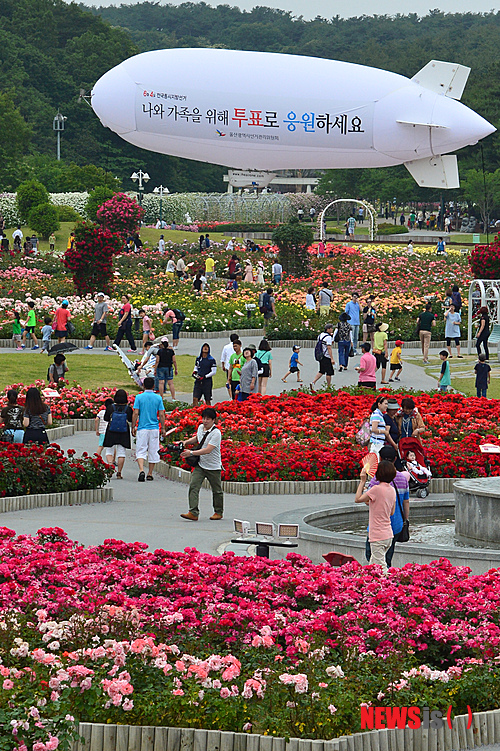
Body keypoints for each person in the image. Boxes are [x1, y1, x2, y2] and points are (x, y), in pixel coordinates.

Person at [365, 445, 409, 568]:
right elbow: (406, 501)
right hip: (396, 524)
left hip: (378, 526)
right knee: (387, 557)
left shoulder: (376, 480)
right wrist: (405, 519)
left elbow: (367, 501)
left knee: (372, 555)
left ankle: (382, 580)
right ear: (395, 459)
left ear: (380, 458)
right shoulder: (403, 479)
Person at [180, 407, 224, 522]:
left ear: (214, 420)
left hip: (213, 466)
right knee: (194, 486)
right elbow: (197, 438)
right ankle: (193, 512)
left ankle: (218, 512)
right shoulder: (200, 428)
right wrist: (185, 442)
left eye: (208, 419)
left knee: (217, 490)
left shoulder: (216, 433)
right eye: (204, 418)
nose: (205, 421)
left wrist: (191, 453)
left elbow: (208, 449)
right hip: (201, 464)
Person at [355, 461, 396, 575]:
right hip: (388, 535)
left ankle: (390, 589)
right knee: (372, 566)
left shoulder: (376, 489)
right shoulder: (391, 490)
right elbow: (391, 511)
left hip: (377, 536)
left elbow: (357, 499)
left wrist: (362, 481)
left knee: (381, 569)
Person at [132, 376, 166, 482]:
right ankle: (150, 473)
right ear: (153, 386)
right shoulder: (158, 398)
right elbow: (161, 414)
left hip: (142, 427)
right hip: (154, 428)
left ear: (143, 386)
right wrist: (163, 428)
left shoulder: (139, 397)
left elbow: (136, 413)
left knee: (141, 450)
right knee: (153, 450)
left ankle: (141, 470)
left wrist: (133, 426)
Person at [103, 389, 133, 479]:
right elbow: (131, 419)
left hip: (111, 430)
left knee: (109, 451)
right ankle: (119, 472)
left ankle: (111, 466)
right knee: (121, 452)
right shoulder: (128, 408)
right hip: (123, 431)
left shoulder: (111, 407)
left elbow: (106, 418)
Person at [311, 323, 335, 390]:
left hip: (320, 355)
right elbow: (329, 347)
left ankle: (313, 382)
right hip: (326, 356)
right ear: (328, 329)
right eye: (331, 328)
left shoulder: (320, 335)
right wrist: (332, 358)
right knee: (329, 372)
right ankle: (328, 386)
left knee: (321, 370)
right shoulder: (328, 337)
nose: (332, 330)